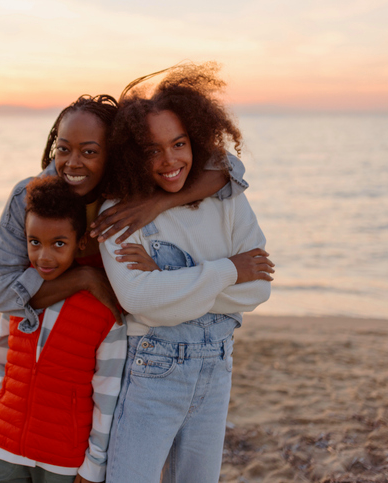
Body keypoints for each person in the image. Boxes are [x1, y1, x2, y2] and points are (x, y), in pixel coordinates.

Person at [98, 62, 274, 483]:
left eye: (179, 143)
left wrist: (169, 277)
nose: (169, 160)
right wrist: (232, 269)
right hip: (153, 370)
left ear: (195, 138)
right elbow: (139, 299)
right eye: (152, 150)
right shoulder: (119, 214)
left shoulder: (226, 199)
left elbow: (259, 290)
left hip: (217, 366)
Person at [0, 94, 249, 336]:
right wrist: (85, 278)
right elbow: (1, 292)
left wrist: (158, 203)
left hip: (110, 338)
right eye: (63, 149)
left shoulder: (130, 188)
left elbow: (230, 169)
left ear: (113, 154)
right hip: (40, 336)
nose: (72, 163)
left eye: (89, 152)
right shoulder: (29, 198)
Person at [0, 176, 127, 483]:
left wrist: (94, 462)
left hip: (63, 456)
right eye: (34, 242)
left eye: (59, 244)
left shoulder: (103, 310)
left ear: (80, 243)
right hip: (5, 443)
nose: (44, 256)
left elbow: (107, 392)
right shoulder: (21, 294)